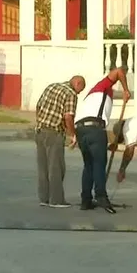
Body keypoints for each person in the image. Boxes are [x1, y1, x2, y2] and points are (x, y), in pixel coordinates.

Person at [72, 67, 131, 214]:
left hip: (81, 130)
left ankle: (85, 200)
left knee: (89, 166)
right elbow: (118, 71)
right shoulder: (102, 85)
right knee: (99, 164)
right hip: (94, 129)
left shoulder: (93, 95)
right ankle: (101, 196)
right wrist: (126, 90)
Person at [34, 76, 86, 208]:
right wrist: (73, 135)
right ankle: (56, 200)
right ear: (77, 83)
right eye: (81, 89)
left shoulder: (52, 86)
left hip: (40, 131)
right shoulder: (70, 93)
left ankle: (44, 198)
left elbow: (38, 106)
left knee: (43, 167)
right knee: (56, 167)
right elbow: (68, 116)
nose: (79, 93)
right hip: (54, 132)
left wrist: (40, 121)